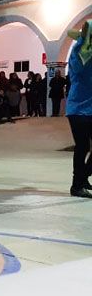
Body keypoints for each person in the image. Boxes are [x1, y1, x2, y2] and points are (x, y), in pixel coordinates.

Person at [65, 20, 92, 198]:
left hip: (89, 108)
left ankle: (82, 177)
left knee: (83, 146)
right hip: (78, 108)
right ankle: (77, 185)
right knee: (82, 147)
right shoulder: (80, 51)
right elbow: (80, 69)